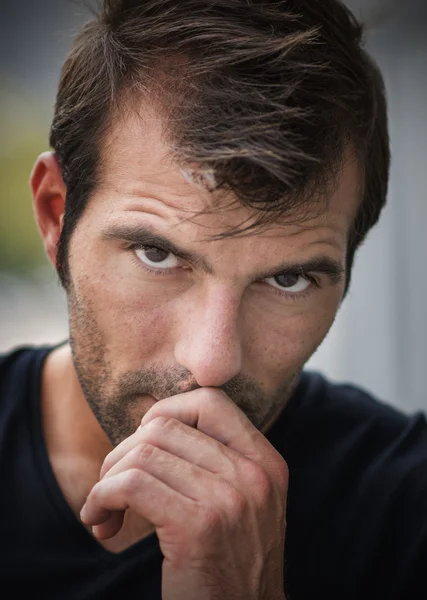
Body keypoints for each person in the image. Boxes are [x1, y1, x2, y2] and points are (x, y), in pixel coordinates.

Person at [1, 0, 426, 598]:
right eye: (158, 255)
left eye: (288, 280)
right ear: (55, 217)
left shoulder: (406, 512)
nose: (211, 362)